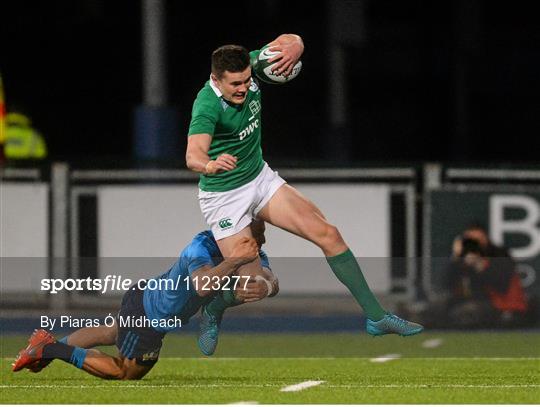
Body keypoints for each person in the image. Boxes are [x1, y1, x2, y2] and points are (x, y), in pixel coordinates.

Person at [185, 33, 423, 349]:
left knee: (329, 234)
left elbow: (288, 40)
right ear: (216, 79)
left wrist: (297, 45)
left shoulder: (251, 64)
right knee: (256, 286)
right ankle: (214, 307)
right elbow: (193, 155)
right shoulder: (206, 105)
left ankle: (376, 317)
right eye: (235, 85)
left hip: (260, 179)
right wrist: (209, 165)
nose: (243, 88)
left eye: (245, 80)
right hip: (225, 197)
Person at [12, 223, 278, 379]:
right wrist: (234, 262)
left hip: (145, 296)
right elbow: (202, 284)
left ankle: (45, 349)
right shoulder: (200, 247)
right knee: (126, 372)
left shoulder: (247, 251)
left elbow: (271, 279)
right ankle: (50, 349)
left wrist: (266, 287)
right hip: (148, 315)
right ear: (238, 233)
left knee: (111, 331)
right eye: (259, 233)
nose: (263, 239)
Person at [445, 224, 528, 328]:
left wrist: (478, 264)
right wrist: (456, 259)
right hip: (480, 304)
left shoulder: (500, 254)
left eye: (476, 241)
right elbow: (447, 284)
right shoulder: (464, 261)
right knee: (443, 309)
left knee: (468, 312)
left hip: (505, 307)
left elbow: (500, 285)